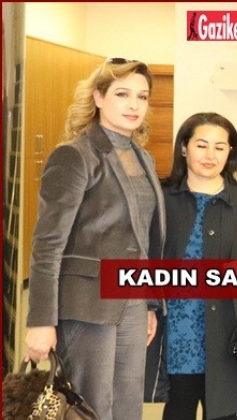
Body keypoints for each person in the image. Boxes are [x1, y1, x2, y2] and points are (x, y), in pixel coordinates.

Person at [24, 58, 166, 420]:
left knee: (128, 405)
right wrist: (41, 320)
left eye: (142, 96)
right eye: (122, 94)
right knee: (90, 407)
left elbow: (145, 238)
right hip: (88, 302)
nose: (134, 105)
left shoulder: (144, 158)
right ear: (99, 97)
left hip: (134, 298)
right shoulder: (75, 155)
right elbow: (48, 245)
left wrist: (151, 303)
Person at [159, 113, 237, 420]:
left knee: (225, 410)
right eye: (201, 145)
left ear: (231, 152)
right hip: (177, 325)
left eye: (220, 147)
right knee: (179, 407)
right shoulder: (161, 198)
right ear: (184, 148)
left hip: (229, 326)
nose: (210, 155)